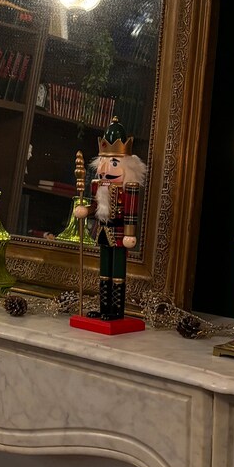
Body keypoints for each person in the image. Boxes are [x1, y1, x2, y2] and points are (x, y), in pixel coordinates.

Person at [73, 117, 146, 322]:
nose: (105, 169)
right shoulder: (98, 185)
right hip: (102, 231)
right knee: (104, 271)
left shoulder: (129, 189)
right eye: (103, 162)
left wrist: (130, 234)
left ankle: (116, 311)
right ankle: (104, 307)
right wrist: (85, 210)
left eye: (113, 163)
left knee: (117, 272)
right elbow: (95, 206)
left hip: (120, 233)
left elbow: (131, 213)